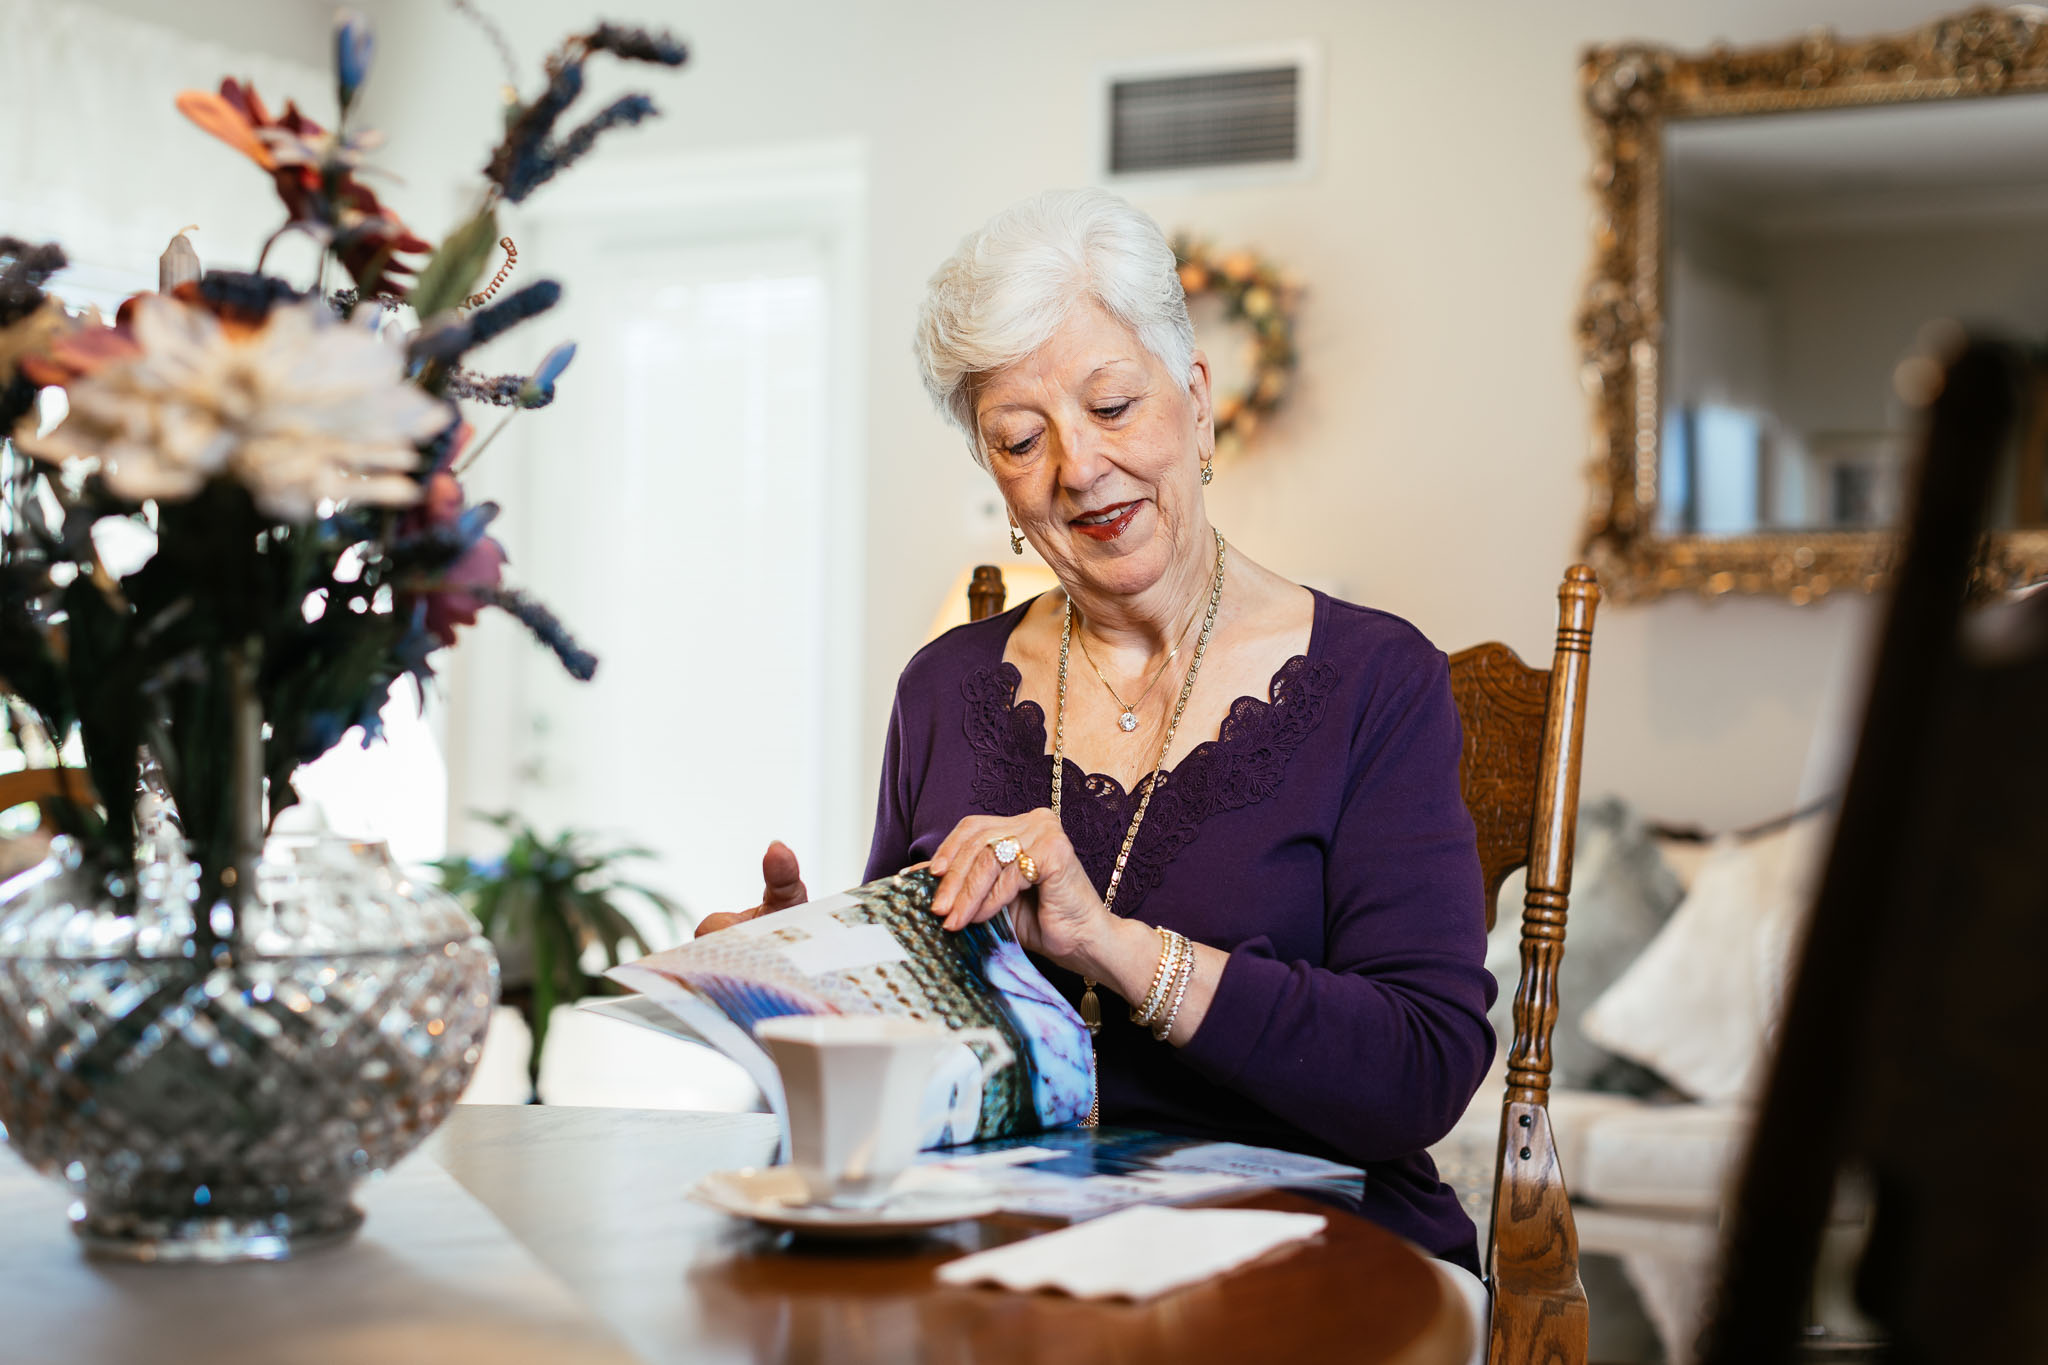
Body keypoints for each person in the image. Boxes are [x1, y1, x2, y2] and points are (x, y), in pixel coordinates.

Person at [697, 189, 1496, 1300]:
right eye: (1020, 440)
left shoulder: (1376, 680)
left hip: (1316, 1250)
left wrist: (1112, 948)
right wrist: (802, 988)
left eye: (1112, 405)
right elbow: (927, 1070)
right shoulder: (945, 689)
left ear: (1197, 402)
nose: (1077, 468)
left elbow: (1418, 1071)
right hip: (1001, 1254)